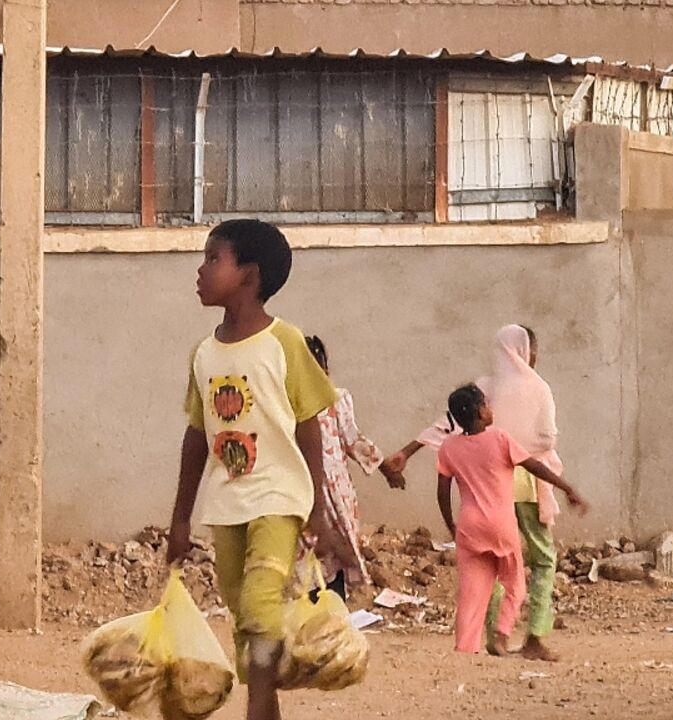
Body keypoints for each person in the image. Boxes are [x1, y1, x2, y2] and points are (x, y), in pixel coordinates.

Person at [166, 219, 353, 720]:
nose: (201, 270)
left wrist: (317, 509)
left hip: (279, 495)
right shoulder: (204, 354)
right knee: (242, 613)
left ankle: (255, 711)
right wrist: (180, 519)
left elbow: (309, 426)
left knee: (259, 602)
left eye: (213, 259)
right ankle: (267, 708)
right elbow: (197, 436)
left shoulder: (284, 342)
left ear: (248, 276)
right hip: (227, 503)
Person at [384, 324, 580, 661]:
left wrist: (407, 451)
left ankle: (493, 636)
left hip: (483, 491)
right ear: (525, 351)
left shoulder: (485, 388)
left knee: (489, 569)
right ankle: (534, 635)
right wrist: (542, 461)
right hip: (524, 482)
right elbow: (548, 438)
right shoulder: (538, 389)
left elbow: (447, 425)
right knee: (542, 559)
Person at [435, 383, 585, 656]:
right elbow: (534, 466)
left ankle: (465, 649)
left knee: (471, 594)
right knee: (514, 584)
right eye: (486, 404)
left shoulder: (449, 447)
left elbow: (442, 492)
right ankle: (502, 635)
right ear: (480, 412)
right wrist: (567, 488)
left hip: (469, 526)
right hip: (500, 525)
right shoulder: (500, 439)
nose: (490, 408)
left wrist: (451, 526)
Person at [300, 335, 407, 602]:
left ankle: (333, 606)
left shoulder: (336, 400)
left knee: (337, 551)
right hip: (305, 492)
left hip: (337, 493)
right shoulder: (288, 406)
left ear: (326, 369)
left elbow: (353, 440)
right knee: (308, 555)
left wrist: (384, 467)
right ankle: (313, 608)